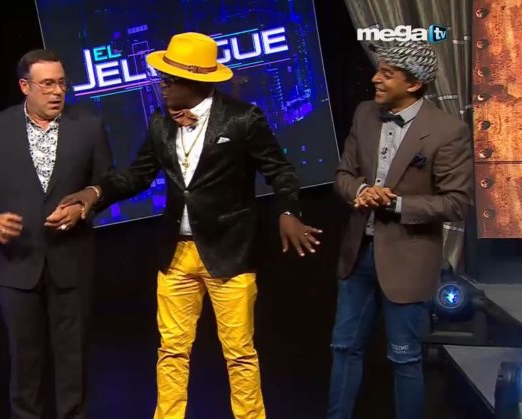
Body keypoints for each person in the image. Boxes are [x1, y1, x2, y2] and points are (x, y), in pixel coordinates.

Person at [60, 32, 321, 419]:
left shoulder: (242, 119)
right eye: (162, 79)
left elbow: (280, 171)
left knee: (239, 353)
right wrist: (94, 192)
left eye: (169, 80)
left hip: (229, 253)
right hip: (176, 255)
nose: (162, 86)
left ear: (195, 81)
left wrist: (288, 211)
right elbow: (137, 176)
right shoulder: (160, 123)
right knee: (171, 351)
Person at [0, 49, 114, 419]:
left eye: (61, 83)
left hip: (71, 260)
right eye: (47, 84)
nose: (57, 91)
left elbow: (107, 182)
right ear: (25, 86)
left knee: (73, 360)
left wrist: (84, 206)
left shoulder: (88, 126)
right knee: (24, 360)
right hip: (16, 261)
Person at [328, 41, 473, 419]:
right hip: (358, 255)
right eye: (379, 70)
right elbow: (343, 175)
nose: (375, 78)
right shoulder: (364, 114)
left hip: (409, 258)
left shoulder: (447, 131)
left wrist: (395, 203)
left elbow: (456, 203)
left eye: (387, 74)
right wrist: (360, 191)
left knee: (404, 357)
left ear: (414, 84)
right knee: (344, 348)